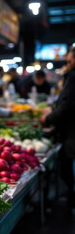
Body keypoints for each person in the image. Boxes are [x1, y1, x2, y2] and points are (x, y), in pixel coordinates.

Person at [40, 47, 75, 208]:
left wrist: (47, 118)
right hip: (69, 130)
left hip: (71, 134)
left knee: (68, 170)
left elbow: (66, 107)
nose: (67, 65)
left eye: (69, 61)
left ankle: (70, 201)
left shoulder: (73, 77)